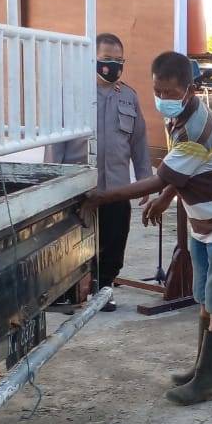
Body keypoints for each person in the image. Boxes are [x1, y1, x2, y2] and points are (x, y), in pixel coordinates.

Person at [85, 51, 212, 407]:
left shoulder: (196, 127)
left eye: (169, 92)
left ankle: (209, 382)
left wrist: (102, 198)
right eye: (157, 91)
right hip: (204, 224)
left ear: (189, 89)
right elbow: (179, 175)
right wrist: (166, 198)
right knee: (206, 300)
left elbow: (159, 178)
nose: (162, 99)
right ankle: (201, 369)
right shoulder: (180, 117)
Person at [47, 32, 152, 312]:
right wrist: (53, 182)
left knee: (114, 241)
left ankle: (103, 289)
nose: (113, 66)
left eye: (119, 61)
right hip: (78, 186)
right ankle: (69, 291)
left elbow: (139, 142)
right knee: (71, 244)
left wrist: (145, 182)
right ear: (91, 60)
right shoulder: (73, 95)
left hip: (115, 187)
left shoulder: (129, 97)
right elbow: (56, 143)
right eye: (107, 60)